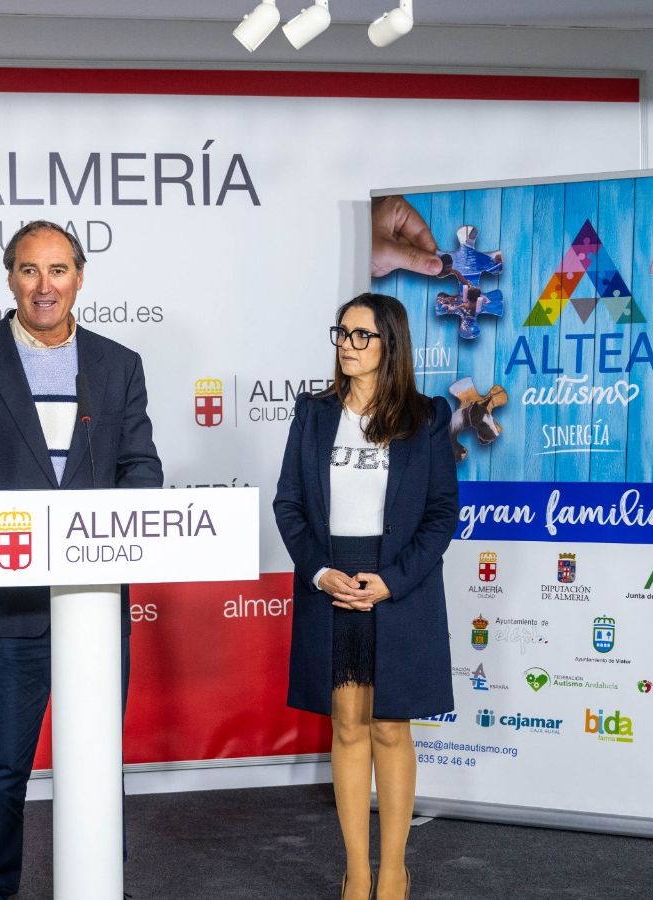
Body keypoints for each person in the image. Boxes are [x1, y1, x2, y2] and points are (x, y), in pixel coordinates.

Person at [0, 220, 162, 900]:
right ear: (10, 277)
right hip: (7, 607)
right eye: (28, 270)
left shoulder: (119, 364)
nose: (43, 286)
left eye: (57, 270)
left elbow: (140, 468)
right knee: (2, 768)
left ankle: (101, 879)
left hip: (96, 602)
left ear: (80, 277)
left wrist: (127, 515)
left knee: (97, 764)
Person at [273, 293, 458, 900]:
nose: (346, 346)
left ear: (390, 346)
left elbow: (440, 516)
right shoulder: (313, 412)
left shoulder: (427, 417)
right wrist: (320, 573)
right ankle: (356, 872)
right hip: (332, 583)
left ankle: (394, 871)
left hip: (397, 586)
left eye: (360, 336)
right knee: (348, 728)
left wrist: (393, 581)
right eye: (341, 334)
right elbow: (289, 505)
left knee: (389, 729)